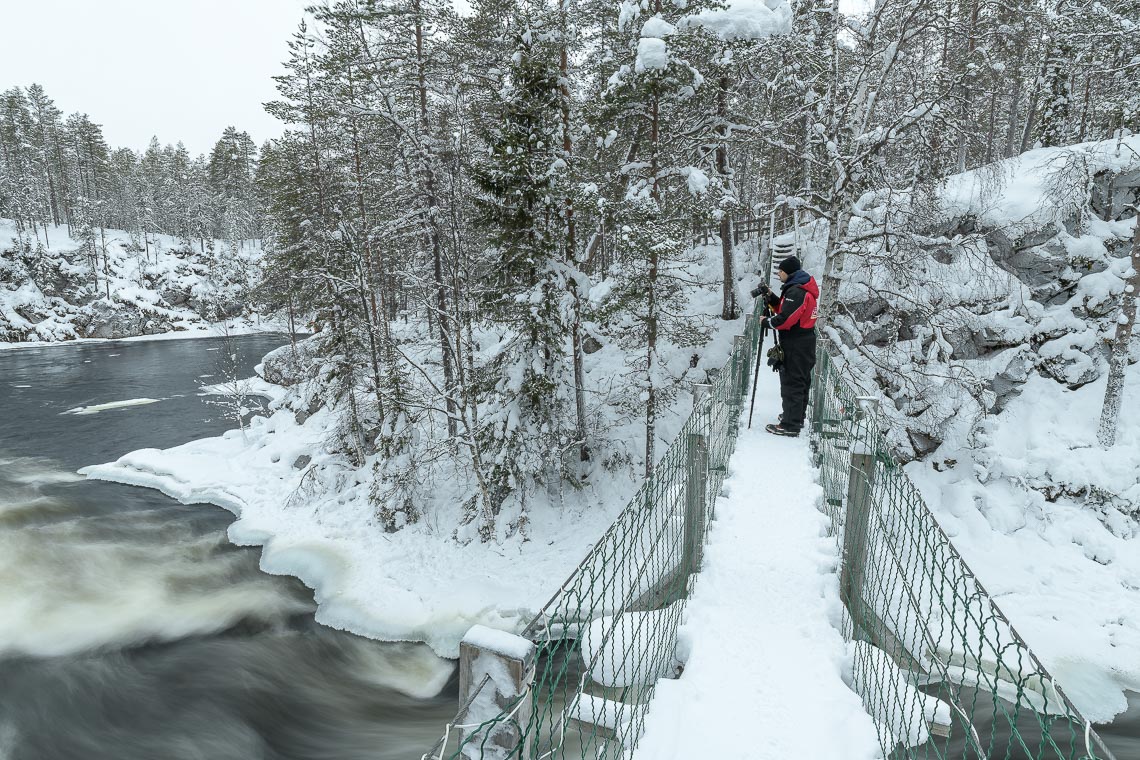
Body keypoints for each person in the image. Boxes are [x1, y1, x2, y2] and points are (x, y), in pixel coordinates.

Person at [750, 255, 819, 437]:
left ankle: (790, 425)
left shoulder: (796, 292)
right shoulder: (800, 289)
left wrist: (766, 322)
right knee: (801, 380)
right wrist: (771, 296)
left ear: (788, 272)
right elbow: (784, 309)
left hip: (796, 343)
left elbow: (785, 319)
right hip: (804, 341)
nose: (778, 274)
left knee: (792, 382)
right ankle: (795, 416)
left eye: (780, 271)